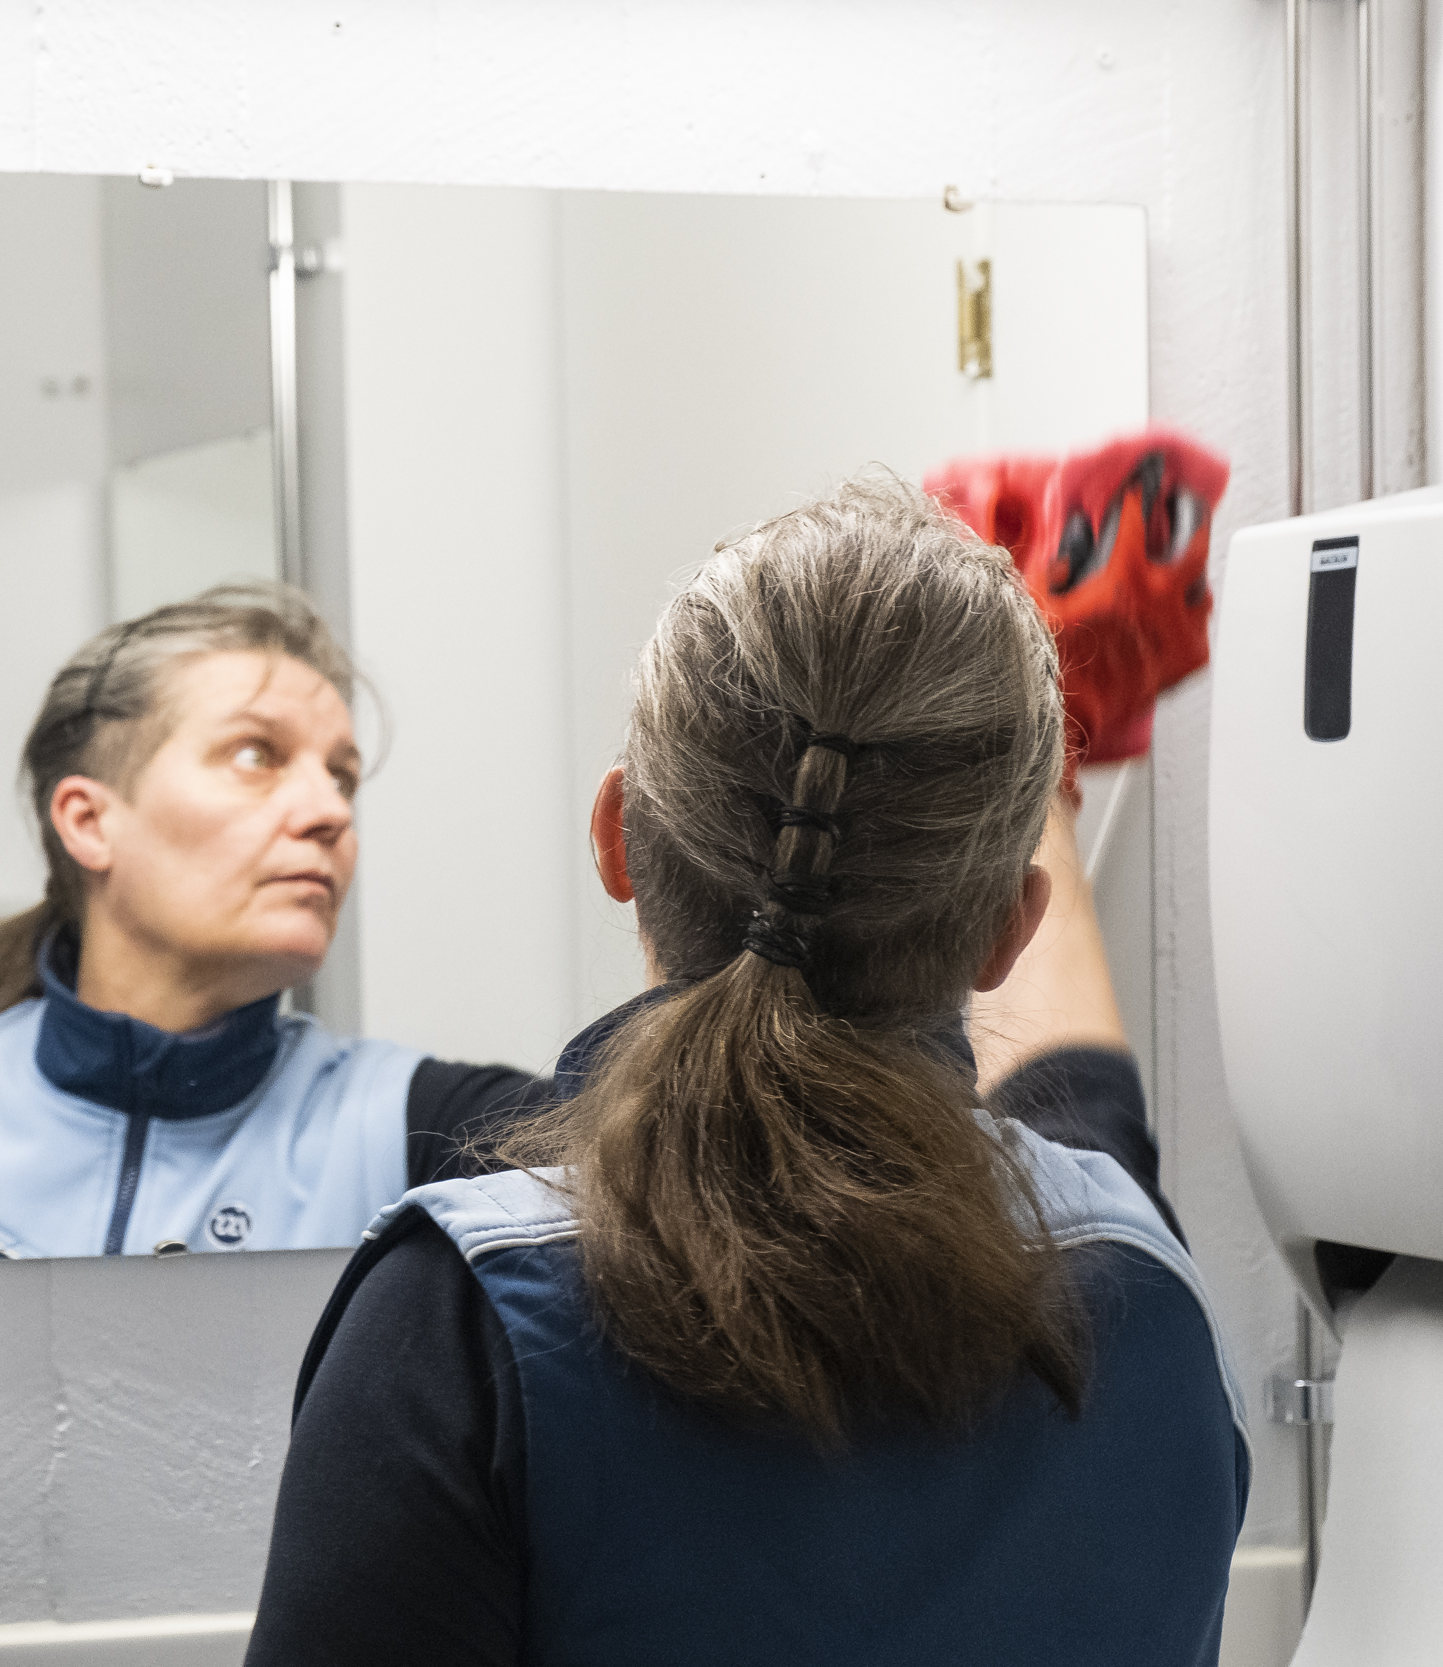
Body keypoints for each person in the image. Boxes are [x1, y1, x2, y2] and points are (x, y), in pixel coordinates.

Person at [246, 479, 1246, 1665]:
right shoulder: (1146, 1303)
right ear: (1007, 927)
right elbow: (1080, 1128)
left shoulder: (462, 1327)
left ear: (619, 837)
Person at [0, 584, 545, 1258]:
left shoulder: (412, 1127)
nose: (330, 812)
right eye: (256, 755)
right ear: (90, 822)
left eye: (342, 777)